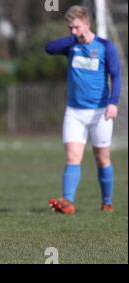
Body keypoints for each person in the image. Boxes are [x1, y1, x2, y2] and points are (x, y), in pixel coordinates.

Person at [46, 5, 121, 214]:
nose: (72, 31)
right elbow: (48, 48)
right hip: (74, 113)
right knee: (72, 157)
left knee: (102, 158)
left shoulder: (106, 47)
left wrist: (113, 102)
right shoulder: (71, 45)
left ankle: (107, 202)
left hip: (100, 113)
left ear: (87, 24)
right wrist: (74, 39)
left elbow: (116, 76)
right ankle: (67, 202)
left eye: (76, 27)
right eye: (70, 27)